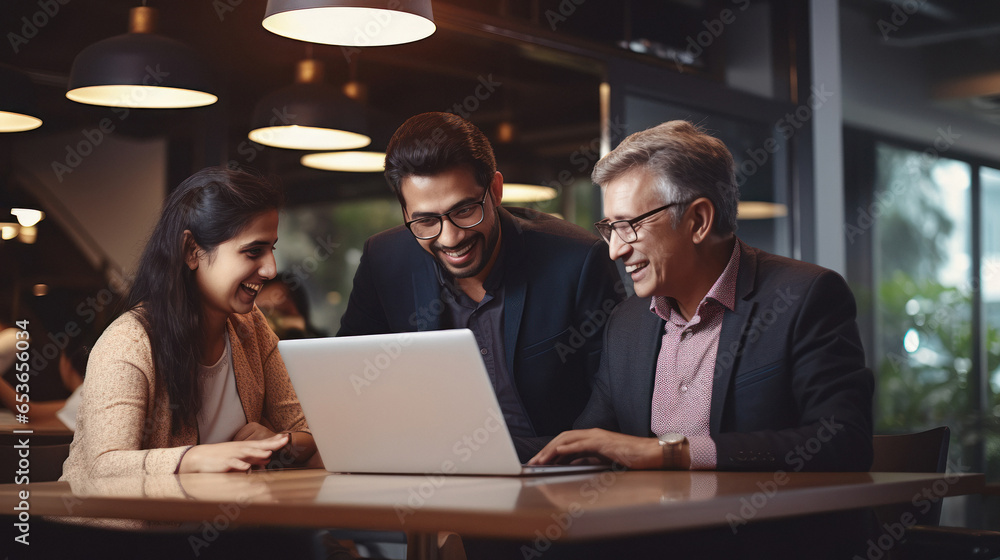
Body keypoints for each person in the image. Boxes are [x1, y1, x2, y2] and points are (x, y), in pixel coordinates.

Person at [530, 120, 874, 473]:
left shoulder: (805, 297)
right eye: (610, 229)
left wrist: (669, 453)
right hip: (648, 524)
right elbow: (593, 441)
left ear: (698, 220)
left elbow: (844, 442)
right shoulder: (627, 321)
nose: (616, 251)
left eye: (628, 226)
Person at [337, 112, 625, 458]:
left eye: (464, 210)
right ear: (405, 213)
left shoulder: (576, 260)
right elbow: (349, 379)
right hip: (426, 470)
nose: (451, 237)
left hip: (552, 474)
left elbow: (612, 400)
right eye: (426, 220)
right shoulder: (384, 260)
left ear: (495, 190)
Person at [62, 167, 319, 479]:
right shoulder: (129, 342)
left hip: (217, 523)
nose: (270, 269)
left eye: (271, 249)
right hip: (112, 528)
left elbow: (309, 433)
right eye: (254, 252)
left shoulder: (250, 326)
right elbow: (103, 467)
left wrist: (281, 443)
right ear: (192, 251)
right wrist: (195, 459)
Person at [0, 340, 88, 430]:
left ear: (67, 363)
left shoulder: (85, 396)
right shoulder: (81, 396)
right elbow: (32, 412)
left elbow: (40, 429)